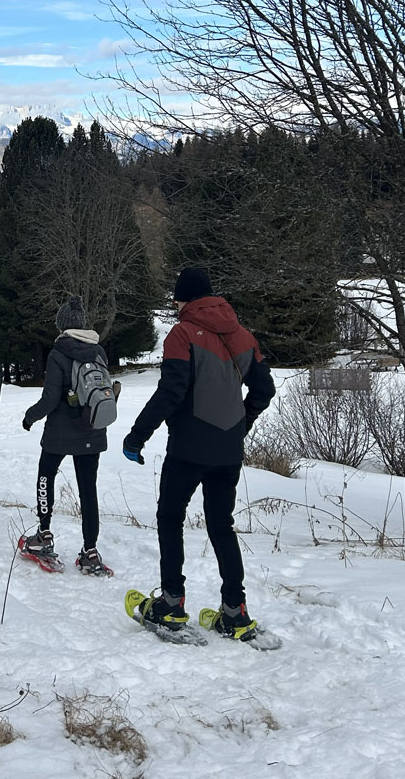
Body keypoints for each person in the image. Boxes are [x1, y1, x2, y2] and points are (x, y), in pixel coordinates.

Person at [122, 268, 274, 640]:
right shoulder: (242, 335)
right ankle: (235, 611)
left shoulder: (183, 333)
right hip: (228, 450)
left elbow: (171, 390)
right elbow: (264, 389)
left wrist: (137, 436)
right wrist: (242, 423)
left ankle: (171, 605)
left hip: (188, 447)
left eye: (176, 298)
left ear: (185, 298)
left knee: (170, 518)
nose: (174, 305)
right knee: (221, 524)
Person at [20, 295, 118, 575]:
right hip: (93, 428)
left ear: (62, 326)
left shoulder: (59, 352)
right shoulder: (98, 350)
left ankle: (44, 534)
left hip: (61, 432)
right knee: (89, 489)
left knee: (45, 476)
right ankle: (90, 550)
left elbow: (50, 399)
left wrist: (30, 417)